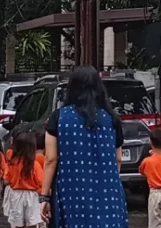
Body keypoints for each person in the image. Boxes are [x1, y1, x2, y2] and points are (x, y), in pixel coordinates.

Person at [40, 65, 128, 228]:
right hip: (108, 197)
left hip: (71, 195)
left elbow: (51, 159)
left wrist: (44, 197)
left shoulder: (59, 118)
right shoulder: (111, 119)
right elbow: (118, 159)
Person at [4, 131, 44, 228]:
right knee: (32, 223)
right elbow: (41, 183)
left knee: (17, 223)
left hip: (16, 195)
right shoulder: (34, 165)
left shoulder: (12, 163)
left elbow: (6, 180)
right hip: (31, 195)